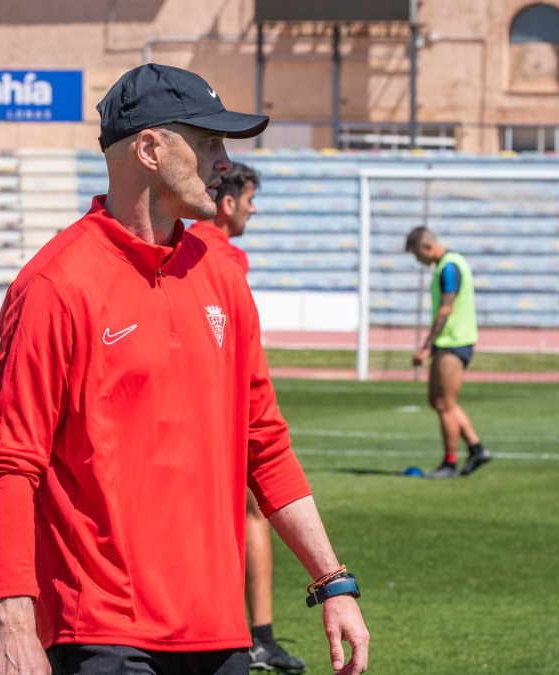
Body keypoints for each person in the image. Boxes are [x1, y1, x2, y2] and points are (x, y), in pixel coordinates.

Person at [0, 64, 369, 675]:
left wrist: (333, 581)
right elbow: (11, 461)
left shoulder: (222, 277)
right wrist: (17, 623)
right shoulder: (56, 285)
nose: (223, 161)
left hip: (218, 633)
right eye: (209, 141)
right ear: (151, 149)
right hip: (102, 631)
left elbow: (264, 442)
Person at [189, 165, 306, 674]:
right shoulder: (223, 255)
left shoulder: (184, 241)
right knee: (255, 510)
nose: (253, 208)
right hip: (219, 406)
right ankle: (256, 635)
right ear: (228, 202)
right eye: (249, 198)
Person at [405, 226, 493, 479]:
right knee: (438, 400)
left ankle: (449, 464)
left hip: (454, 342)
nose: (418, 261)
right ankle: (476, 449)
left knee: (445, 403)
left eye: (416, 255)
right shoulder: (447, 264)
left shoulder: (449, 267)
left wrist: (425, 346)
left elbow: (446, 309)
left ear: (427, 247)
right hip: (447, 342)